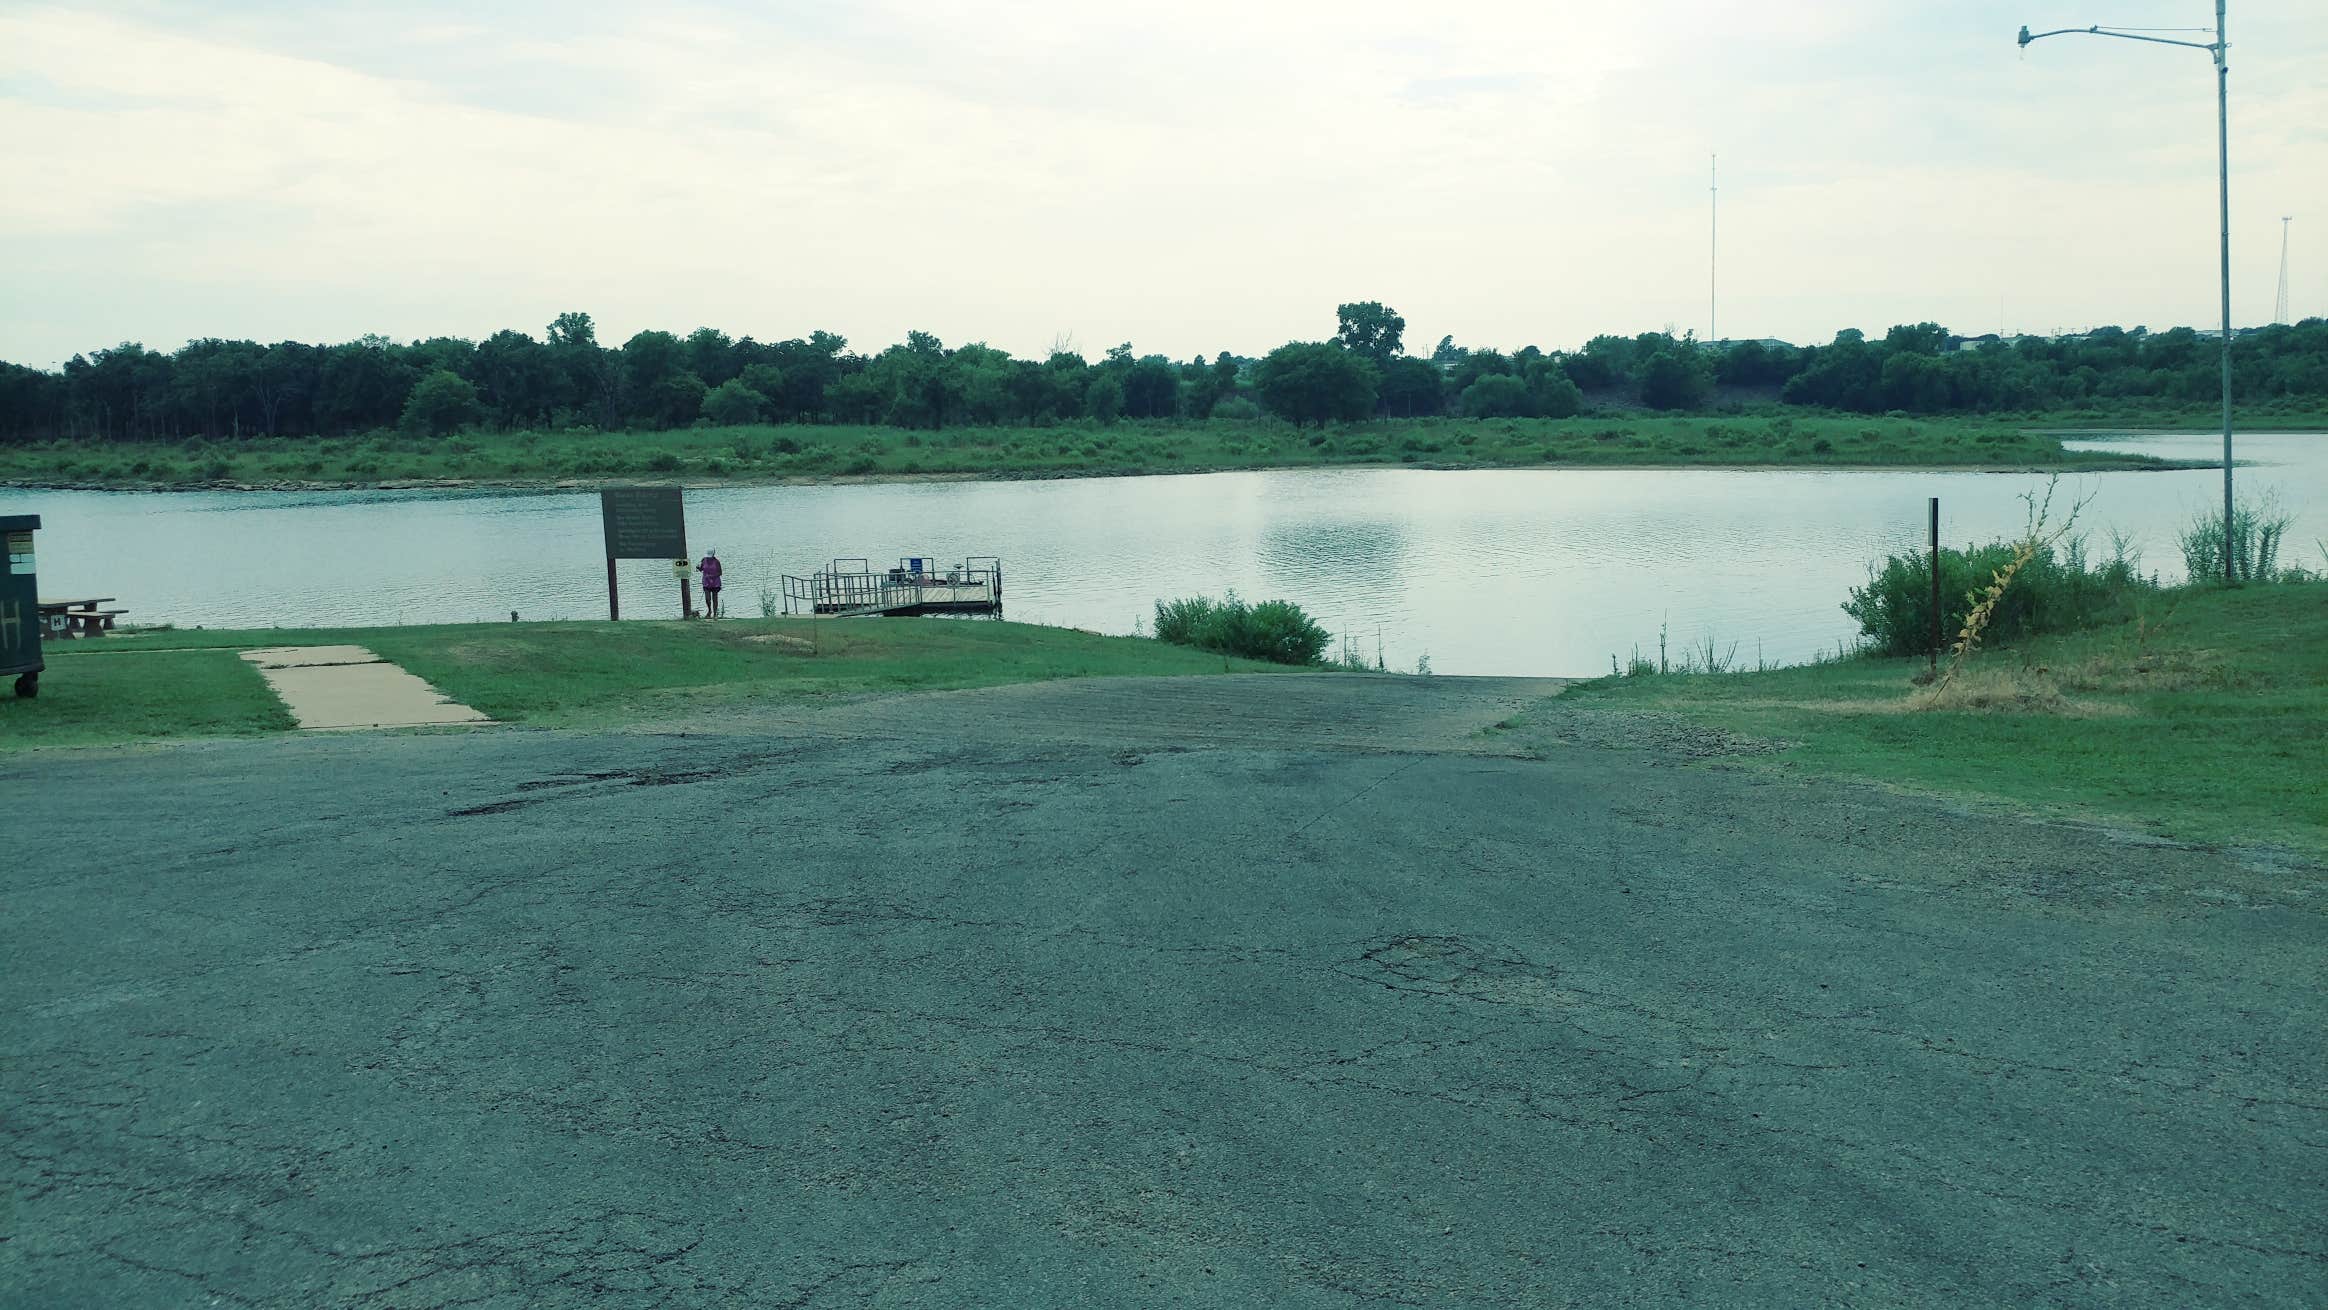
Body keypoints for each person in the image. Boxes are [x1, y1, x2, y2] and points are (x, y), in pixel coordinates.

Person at [697, 548, 723, 618]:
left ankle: (715, 613)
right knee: (707, 598)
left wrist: (711, 576)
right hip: (706, 582)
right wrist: (698, 567)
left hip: (715, 583)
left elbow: (720, 573)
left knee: (715, 598)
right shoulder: (703, 560)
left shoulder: (717, 562)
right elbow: (701, 569)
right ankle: (709, 610)